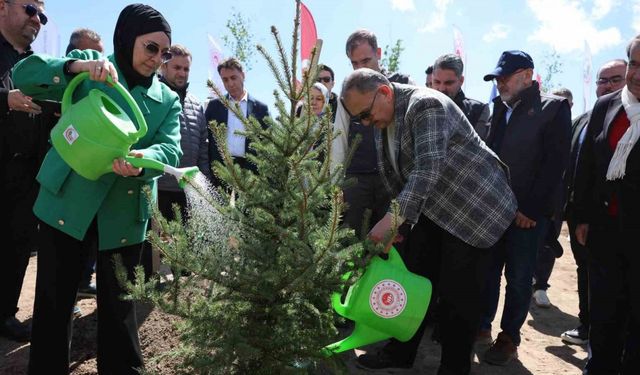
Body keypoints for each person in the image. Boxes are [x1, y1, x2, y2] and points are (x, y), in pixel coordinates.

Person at [12, 4, 181, 374]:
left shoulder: (167, 100)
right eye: (151, 48)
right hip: (68, 205)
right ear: (127, 38)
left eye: (164, 52)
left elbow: (170, 148)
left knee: (120, 312)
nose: (157, 59)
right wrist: (76, 68)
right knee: (54, 307)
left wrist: (142, 158)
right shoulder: (93, 66)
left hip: (123, 217)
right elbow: (24, 75)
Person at [342, 68, 516, 374]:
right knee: (414, 279)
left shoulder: (425, 105)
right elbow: (397, 176)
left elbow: (427, 169)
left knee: (458, 299)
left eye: (367, 114)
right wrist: (403, 224)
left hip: (473, 212)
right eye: (361, 119)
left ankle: (453, 368)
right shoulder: (385, 119)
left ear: (384, 92)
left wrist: (392, 219)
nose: (367, 123)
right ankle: (401, 352)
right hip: (435, 211)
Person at [478, 50, 572, 365]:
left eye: (506, 77)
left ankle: (508, 339)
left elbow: (554, 165)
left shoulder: (553, 108)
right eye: (497, 78)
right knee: (488, 272)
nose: (500, 83)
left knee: (519, 279)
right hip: (494, 212)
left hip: (527, 218)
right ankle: (481, 328)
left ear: (527, 75)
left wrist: (530, 210)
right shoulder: (498, 109)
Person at [573, 36, 640, 374]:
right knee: (604, 316)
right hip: (605, 231)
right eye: (636, 64)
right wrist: (582, 217)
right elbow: (587, 166)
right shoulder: (606, 106)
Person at [560, 59, 627, 346]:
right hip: (579, 210)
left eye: (615, 79)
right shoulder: (583, 120)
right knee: (584, 268)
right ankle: (587, 326)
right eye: (602, 80)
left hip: (615, 215)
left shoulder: (630, 119)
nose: (607, 85)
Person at [0, 0, 50, 343]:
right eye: (31, 8)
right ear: (3, 6)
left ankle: (5, 314)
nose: (37, 19)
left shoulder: (39, 65)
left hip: (26, 174)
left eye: (42, 16)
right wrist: (5, 99)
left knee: (17, 245)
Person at [331, 29, 412, 238]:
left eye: (365, 60)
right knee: (351, 241)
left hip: (394, 180)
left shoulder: (402, 84)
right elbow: (339, 138)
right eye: (354, 63)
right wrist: (336, 184)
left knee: (393, 242)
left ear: (378, 53)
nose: (360, 68)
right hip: (356, 182)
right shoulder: (348, 93)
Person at [65, 27, 105, 303]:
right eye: (92, 53)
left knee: (91, 234)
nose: (99, 60)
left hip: (92, 171)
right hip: (67, 173)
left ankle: (82, 281)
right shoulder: (67, 79)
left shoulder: (100, 84)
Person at [531, 87, 574, 309]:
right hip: (535, 199)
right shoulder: (538, 128)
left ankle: (540, 287)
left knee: (549, 244)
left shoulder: (575, 130)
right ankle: (530, 279)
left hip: (558, 202)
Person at [205, 57, 269, 186]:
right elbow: (206, 140)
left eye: (233, 78)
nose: (230, 83)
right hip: (220, 172)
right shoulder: (213, 107)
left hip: (251, 175)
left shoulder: (260, 109)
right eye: (225, 80)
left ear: (243, 75)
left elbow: (267, 144)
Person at [431, 53, 490, 139]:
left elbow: (475, 149)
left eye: (448, 83)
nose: (442, 88)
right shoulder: (419, 107)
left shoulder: (478, 110)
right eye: (437, 82)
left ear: (461, 81)